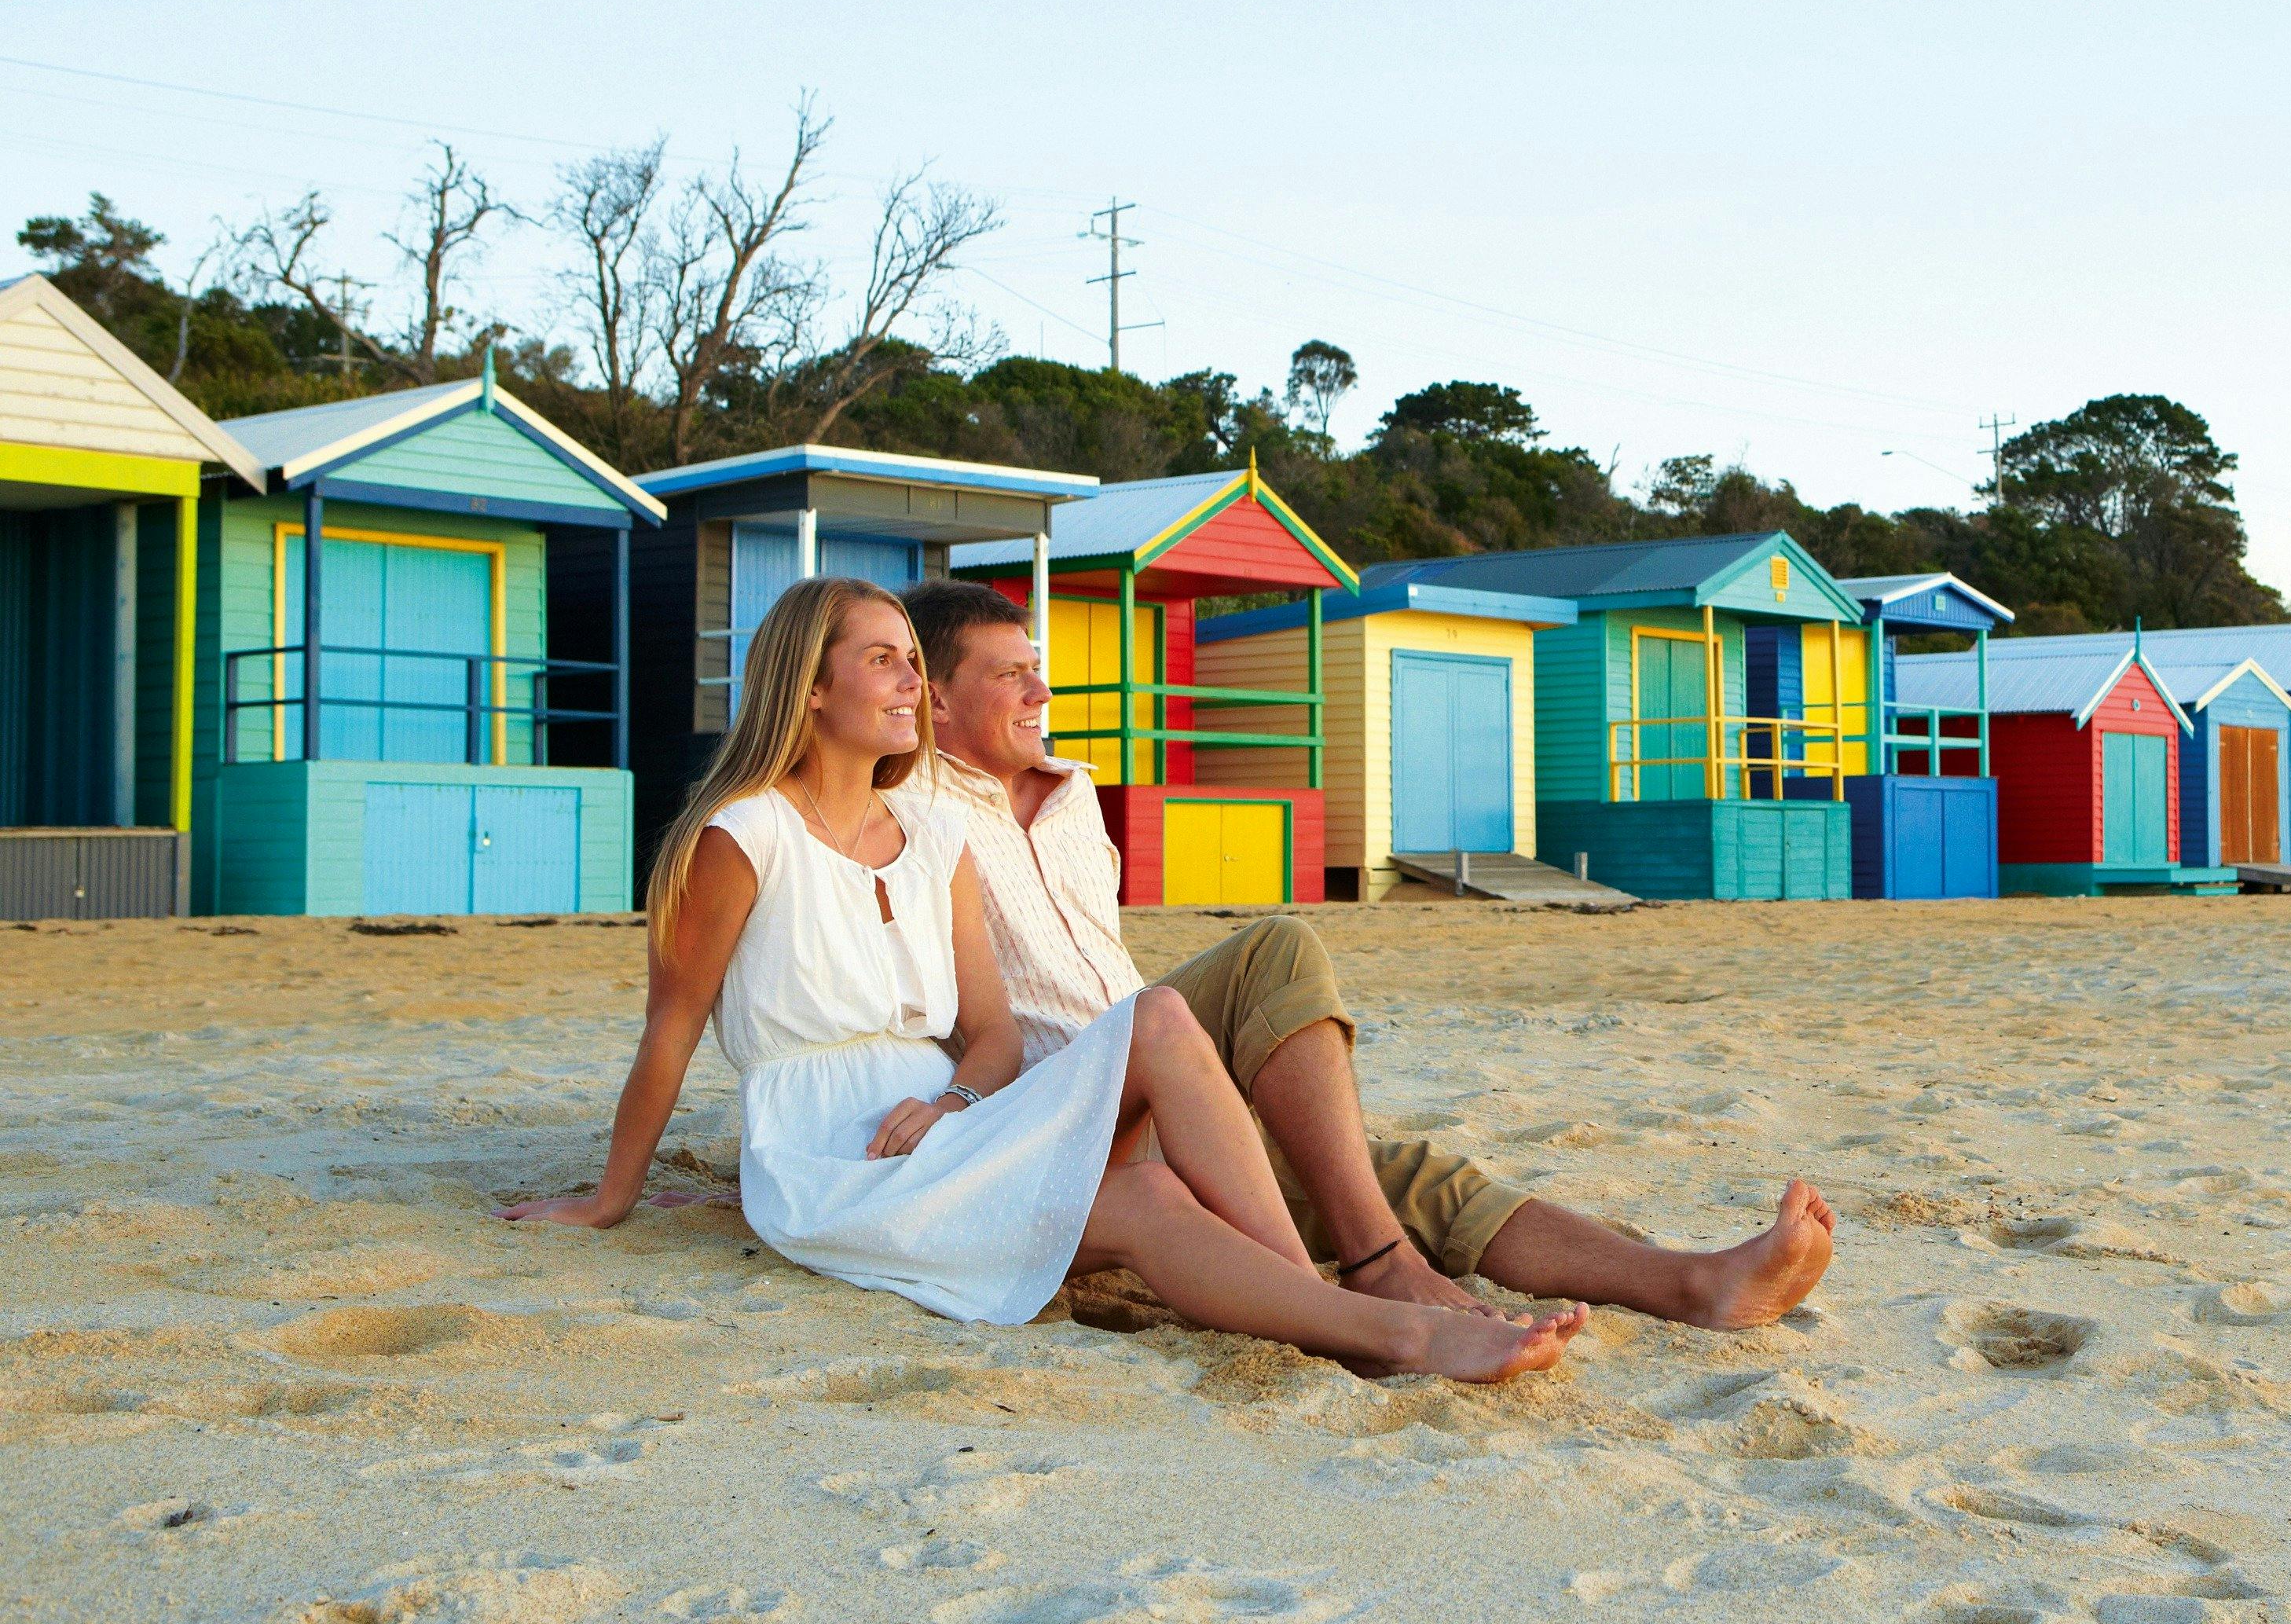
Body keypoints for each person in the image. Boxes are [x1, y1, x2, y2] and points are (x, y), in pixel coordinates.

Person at [504, 575, 1573, 1384]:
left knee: (1159, 1028)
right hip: (831, 1153)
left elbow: (994, 1036)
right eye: (884, 661)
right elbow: (671, 1031)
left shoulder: (935, 839)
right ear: (811, 687)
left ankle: (1319, 1306)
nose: (911, 682)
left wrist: (956, 1101)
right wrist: (610, 1198)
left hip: (947, 1119)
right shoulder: (742, 837)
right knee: (1146, 1192)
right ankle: (1380, 1329)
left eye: (913, 662)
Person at [895, 578, 1835, 1329]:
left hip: (1163, 1086)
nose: (1042, 693)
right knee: (1277, 948)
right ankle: (1373, 1270)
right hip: (1054, 1118)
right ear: (934, 697)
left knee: (1406, 1177)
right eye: (1011, 675)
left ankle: (1694, 1284)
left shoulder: (1075, 798)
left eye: (1038, 669)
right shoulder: (904, 811)